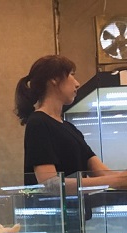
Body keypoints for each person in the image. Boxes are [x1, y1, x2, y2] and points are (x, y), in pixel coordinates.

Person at [15, 54, 127, 191]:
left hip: (78, 205)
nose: (77, 83)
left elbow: (104, 174)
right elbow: (50, 183)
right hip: (58, 206)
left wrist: (120, 179)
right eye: (71, 75)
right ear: (54, 79)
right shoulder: (38, 122)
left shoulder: (70, 128)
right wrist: (117, 180)